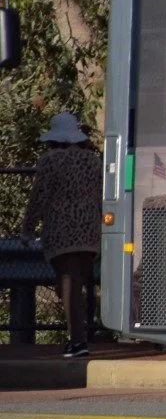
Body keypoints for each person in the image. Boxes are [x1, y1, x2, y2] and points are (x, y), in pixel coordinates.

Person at [18, 112, 98, 357]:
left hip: (61, 233)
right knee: (78, 284)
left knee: (68, 287)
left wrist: (28, 228)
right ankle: (83, 335)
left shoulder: (50, 161)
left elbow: (39, 197)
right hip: (90, 232)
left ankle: (78, 341)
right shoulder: (93, 161)